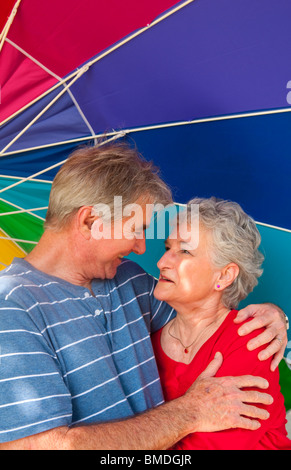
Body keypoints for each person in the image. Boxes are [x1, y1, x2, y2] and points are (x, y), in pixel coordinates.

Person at [0, 143, 287, 450]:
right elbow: (43, 447)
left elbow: (204, 309)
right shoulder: (13, 308)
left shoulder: (129, 280)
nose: (141, 248)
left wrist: (274, 315)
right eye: (136, 229)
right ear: (90, 222)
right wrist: (190, 412)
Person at [152, 197, 291, 450]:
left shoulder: (251, 341)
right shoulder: (146, 339)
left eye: (185, 251)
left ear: (224, 276)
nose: (162, 262)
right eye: (167, 248)